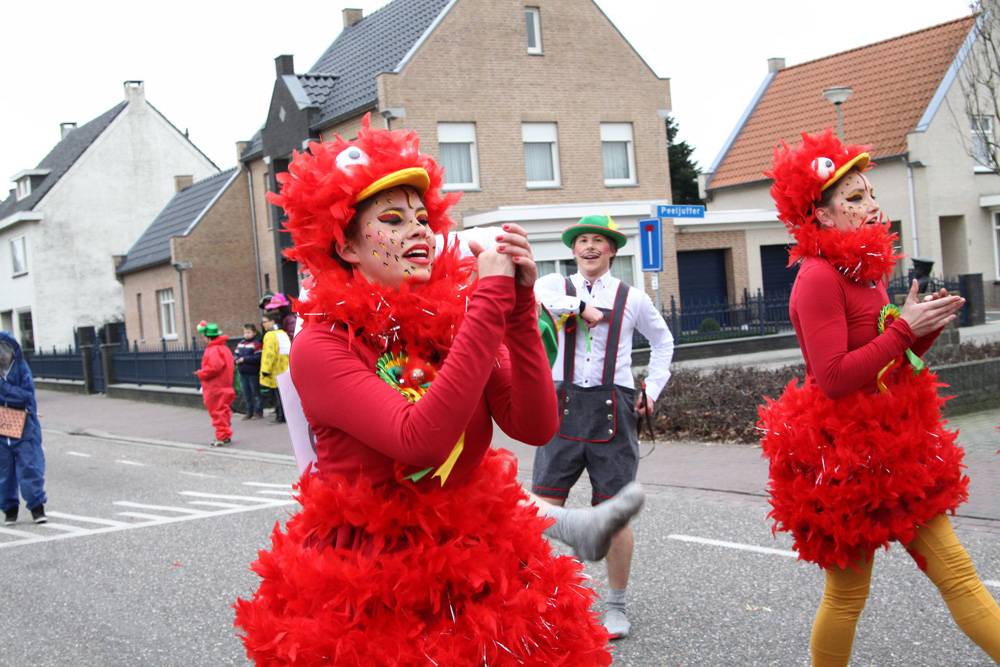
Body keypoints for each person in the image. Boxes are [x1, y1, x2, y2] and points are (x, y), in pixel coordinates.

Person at [235, 116, 624, 665]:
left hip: (477, 552)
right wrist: (487, 303)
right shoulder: (321, 346)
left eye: (422, 218)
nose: (418, 230)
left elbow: (534, 425)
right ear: (346, 247)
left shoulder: (452, 324)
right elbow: (419, 440)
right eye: (392, 220)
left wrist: (517, 313)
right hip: (374, 577)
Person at [758, 129, 1000, 666]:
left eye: (870, 193)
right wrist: (903, 330)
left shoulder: (863, 272)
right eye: (854, 197)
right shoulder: (818, 278)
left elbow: (886, 361)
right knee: (847, 596)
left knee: (959, 576)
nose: (872, 205)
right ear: (822, 216)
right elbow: (834, 377)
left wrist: (920, 331)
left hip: (895, 452)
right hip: (845, 461)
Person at [532, 213, 674, 640]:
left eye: (599, 240)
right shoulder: (556, 285)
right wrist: (581, 307)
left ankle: (616, 606)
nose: (590, 247)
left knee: (614, 515)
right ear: (573, 249)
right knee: (541, 509)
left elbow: (663, 342)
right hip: (560, 406)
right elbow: (535, 295)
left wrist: (652, 388)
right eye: (583, 241)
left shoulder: (633, 297)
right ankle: (540, 600)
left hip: (615, 409)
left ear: (612, 250)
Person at [0, 331, 46, 524]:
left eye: (4, 350)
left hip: (24, 427)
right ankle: (9, 510)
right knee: (3, 472)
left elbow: (25, 396)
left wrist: (3, 389)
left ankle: (37, 508)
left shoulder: (20, 369)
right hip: (1, 430)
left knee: (29, 466)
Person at [194, 321, 235, 447]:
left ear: (207, 337)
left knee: (217, 412)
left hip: (215, 386)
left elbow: (214, 368)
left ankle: (222, 436)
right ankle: (225, 434)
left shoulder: (212, 350)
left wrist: (201, 373)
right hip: (225, 385)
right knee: (224, 411)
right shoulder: (224, 348)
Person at [259, 312, 290, 425]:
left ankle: (280, 416)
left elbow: (269, 355)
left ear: (272, 322)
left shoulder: (269, 336)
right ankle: (285, 415)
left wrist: (265, 371)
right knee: (283, 396)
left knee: (277, 396)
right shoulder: (283, 333)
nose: (263, 324)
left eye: (264, 322)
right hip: (285, 369)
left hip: (274, 371)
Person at [234, 323, 264, 420]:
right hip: (243, 373)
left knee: (255, 393)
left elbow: (258, 357)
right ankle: (249, 411)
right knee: (246, 394)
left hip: (253, 372)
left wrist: (244, 359)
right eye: (245, 333)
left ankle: (258, 411)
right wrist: (236, 360)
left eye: (248, 332)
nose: (246, 335)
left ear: (254, 333)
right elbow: (236, 354)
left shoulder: (256, 343)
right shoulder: (241, 343)